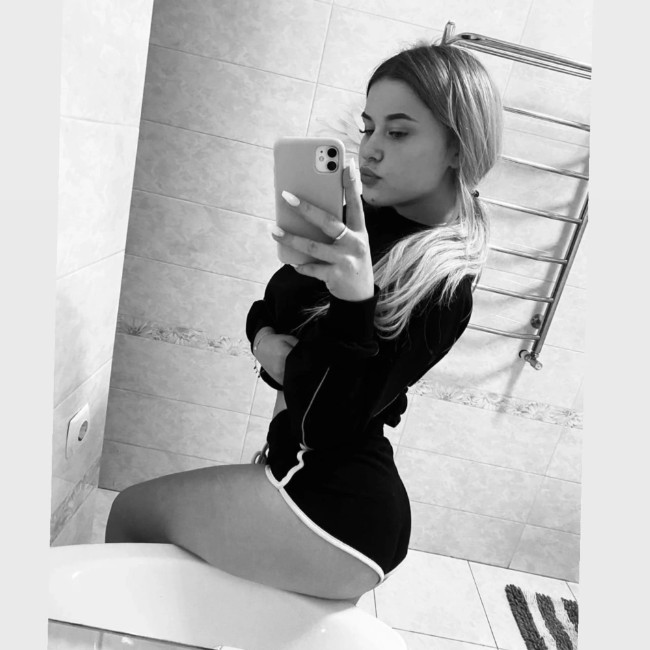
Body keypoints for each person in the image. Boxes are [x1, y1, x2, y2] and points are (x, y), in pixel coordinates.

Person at [105, 41, 503, 602]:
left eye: (398, 132)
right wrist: (269, 345)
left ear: (457, 148)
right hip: (308, 478)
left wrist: (351, 303)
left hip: (335, 510)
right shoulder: (363, 228)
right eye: (368, 128)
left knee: (131, 516)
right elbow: (270, 312)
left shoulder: (441, 283)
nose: (371, 149)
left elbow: (327, 421)